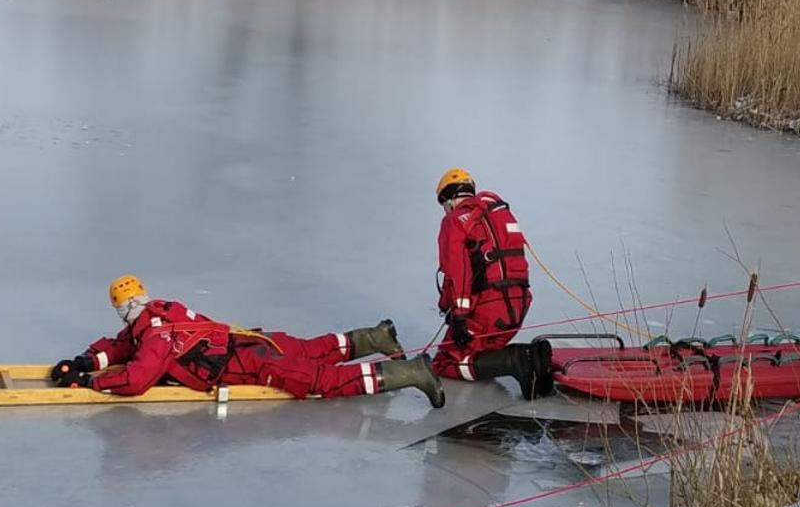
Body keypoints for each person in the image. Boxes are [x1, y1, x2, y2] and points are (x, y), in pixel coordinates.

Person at [50, 275, 444, 408]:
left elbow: (137, 379)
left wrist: (91, 383)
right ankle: (374, 336)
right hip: (252, 341)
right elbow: (122, 346)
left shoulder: (154, 335)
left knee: (323, 382)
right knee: (310, 348)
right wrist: (87, 360)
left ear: (122, 309)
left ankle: (409, 371)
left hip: (254, 365)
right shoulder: (159, 313)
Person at [433, 167, 549, 397]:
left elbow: (458, 273)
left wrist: (458, 315)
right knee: (484, 350)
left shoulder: (455, 222)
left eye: (444, 205)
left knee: (445, 362)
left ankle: (515, 359)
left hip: (487, 310)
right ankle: (533, 360)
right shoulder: (498, 213)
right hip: (518, 306)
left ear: (449, 199)